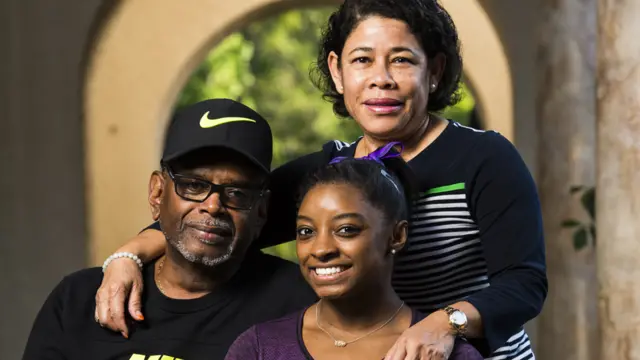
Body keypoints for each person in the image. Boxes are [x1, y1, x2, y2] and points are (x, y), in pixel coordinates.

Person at [95, 0, 548, 359]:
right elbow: (230, 218)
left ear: (435, 71)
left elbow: (524, 284)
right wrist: (128, 255)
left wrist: (441, 325)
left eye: (403, 61)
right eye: (362, 60)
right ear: (337, 70)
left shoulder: (483, 158)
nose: (381, 80)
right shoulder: (331, 174)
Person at [22, 99, 317, 360]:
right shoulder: (79, 300)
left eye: (237, 193)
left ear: (262, 211)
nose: (213, 206)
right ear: (157, 194)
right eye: (193, 185)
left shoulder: (300, 305)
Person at [225, 144, 483, 360]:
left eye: (346, 229)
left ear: (396, 236)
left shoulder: (443, 353)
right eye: (306, 232)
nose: (321, 249)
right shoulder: (258, 348)